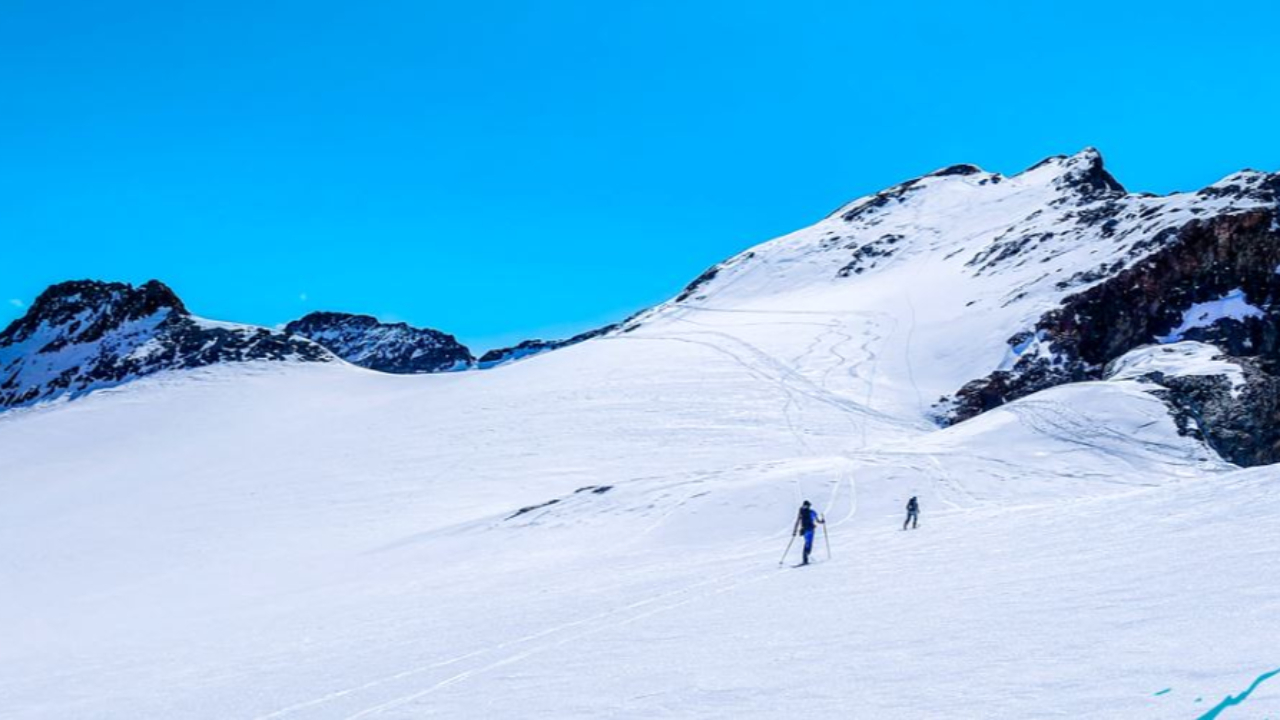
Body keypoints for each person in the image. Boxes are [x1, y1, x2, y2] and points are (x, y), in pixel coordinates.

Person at [792, 500, 824, 565]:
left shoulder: (801, 513)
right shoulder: (812, 512)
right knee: (808, 544)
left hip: (804, 530)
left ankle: (805, 558)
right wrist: (822, 521)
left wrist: (794, 531)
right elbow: (817, 521)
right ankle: (806, 559)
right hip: (810, 530)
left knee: (807, 543)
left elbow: (797, 521)